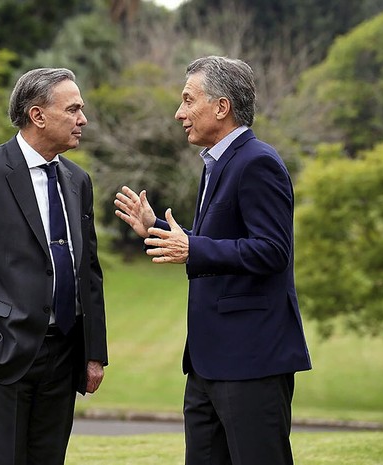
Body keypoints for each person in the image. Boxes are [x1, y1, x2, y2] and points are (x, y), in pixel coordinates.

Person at [114, 56, 311, 465]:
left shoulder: (257, 162)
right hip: (207, 364)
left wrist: (193, 248)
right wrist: (157, 230)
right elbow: (217, 243)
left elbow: (273, 250)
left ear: (222, 107)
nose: (179, 113)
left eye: (188, 100)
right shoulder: (215, 165)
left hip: (251, 360)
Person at [0, 67, 107, 465]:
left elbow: (89, 272)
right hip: (3, 351)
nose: (83, 119)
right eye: (74, 109)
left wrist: (93, 352)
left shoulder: (78, 180)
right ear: (38, 116)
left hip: (65, 355)